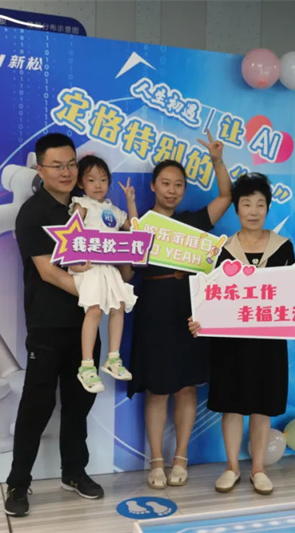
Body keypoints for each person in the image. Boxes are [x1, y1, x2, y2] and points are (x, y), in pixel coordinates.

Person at [188, 173, 295, 496]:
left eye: (260, 204)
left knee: (262, 405)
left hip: (268, 342)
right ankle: (232, 467)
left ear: (268, 208)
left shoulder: (283, 247)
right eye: (246, 204)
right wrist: (200, 320)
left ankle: (259, 469)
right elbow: (209, 297)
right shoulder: (223, 250)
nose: (253, 210)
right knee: (232, 405)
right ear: (237, 208)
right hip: (230, 344)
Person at [4, 133, 104, 518]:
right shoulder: (32, 214)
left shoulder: (88, 207)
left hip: (86, 328)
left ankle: (74, 473)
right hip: (47, 327)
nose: (66, 172)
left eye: (71, 164)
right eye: (57, 166)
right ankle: (18, 482)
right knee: (37, 405)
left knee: (79, 403)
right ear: (40, 169)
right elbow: (48, 272)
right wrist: (95, 293)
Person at [127, 131, 232, 490]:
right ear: (153, 186)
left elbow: (226, 197)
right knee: (157, 389)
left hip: (190, 308)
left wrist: (217, 160)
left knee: (187, 387)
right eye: (166, 184)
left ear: (184, 190)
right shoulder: (140, 223)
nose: (172, 190)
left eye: (178, 185)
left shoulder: (193, 222)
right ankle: (156, 460)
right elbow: (127, 271)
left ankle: (181, 457)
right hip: (154, 307)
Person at [68, 155, 138, 393]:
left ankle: (113, 358)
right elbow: (70, 236)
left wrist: (130, 201)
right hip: (89, 267)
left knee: (119, 306)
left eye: (103, 179)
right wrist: (75, 264)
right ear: (81, 183)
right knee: (95, 310)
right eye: (91, 180)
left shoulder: (114, 211)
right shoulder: (81, 205)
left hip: (109, 267)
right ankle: (87, 366)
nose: (98, 185)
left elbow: (135, 230)